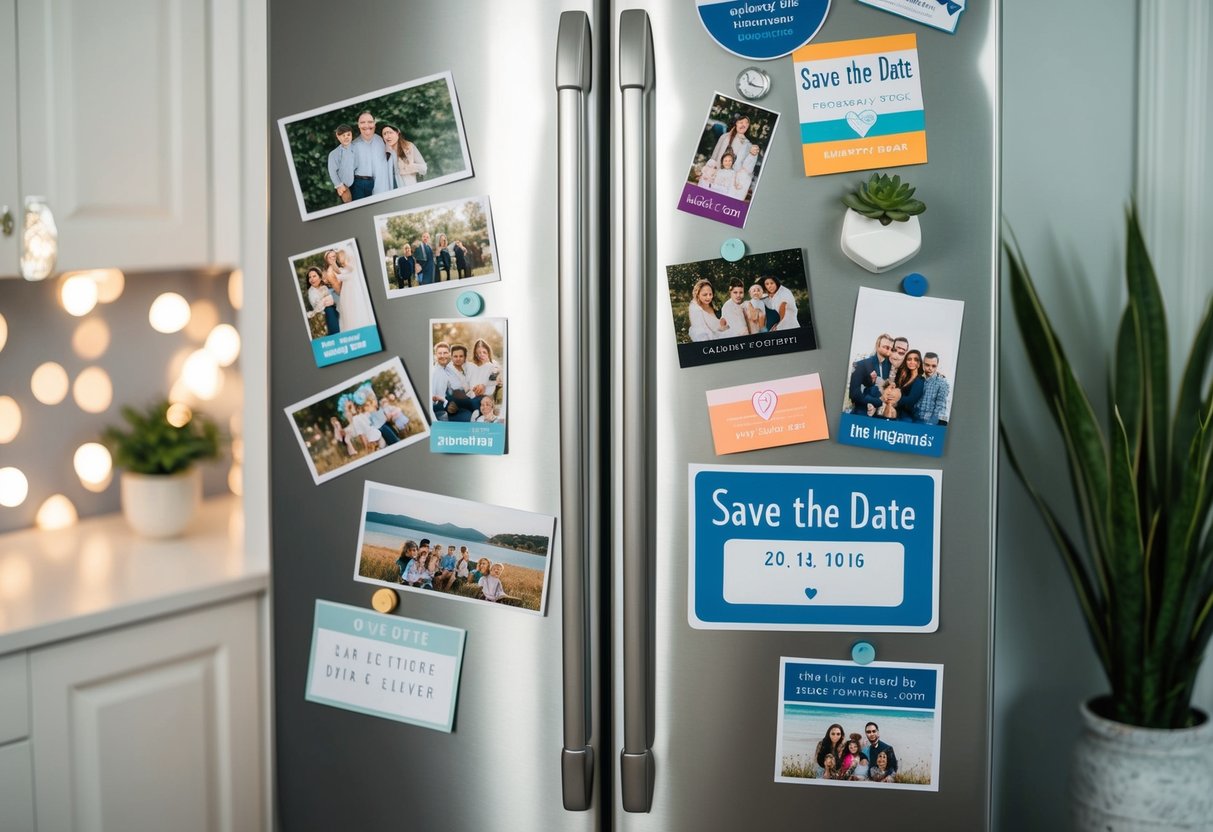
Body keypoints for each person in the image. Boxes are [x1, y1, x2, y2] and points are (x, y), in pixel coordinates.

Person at [324, 248, 374, 331]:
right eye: (330, 257)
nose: (333, 258)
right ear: (326, 259)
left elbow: (341, 272)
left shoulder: (337, 267)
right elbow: (338, 291)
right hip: (344, 295)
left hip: (350, 293)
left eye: (334, 256)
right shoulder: (330, 272)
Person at [848, 333, 894, 414]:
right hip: (862, 410)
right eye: (886, 347)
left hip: (883, 414)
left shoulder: (891, 367)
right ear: (877, 346)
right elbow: (854, 394)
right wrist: (878, 402)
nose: (889, 351)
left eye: (891, 349)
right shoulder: (862, 364)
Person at [349, 111, 387, 199]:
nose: (366, 125)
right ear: (358, 125)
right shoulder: (354, 145)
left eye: (370, 122)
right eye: (362, 122)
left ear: (374, 123)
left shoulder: (381, 141)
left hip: (380, 183)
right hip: (359, 184)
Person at [380, 124, 427, 190]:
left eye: (390, 133)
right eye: (384, 134)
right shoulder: (384, 153)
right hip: (393, 188)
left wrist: (409, 167)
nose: (388, 136)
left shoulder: (408, 147)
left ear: (397, 133)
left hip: (410, 185)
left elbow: (423, 168)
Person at [444, 344, 483, 421]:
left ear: (465, 357)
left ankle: (478, 416)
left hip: (470, 396)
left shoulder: (470, 367)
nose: (458, 359)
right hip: (455, 399)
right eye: (455, 356)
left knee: (480, 400)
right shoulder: (447, 370)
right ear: (451, 357)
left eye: (461, 356)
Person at [914, 352, 951, 425]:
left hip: (929, 422)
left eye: (933, 366)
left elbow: (940, 407)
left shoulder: (942, 383)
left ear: (937, 366)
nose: (930, 368)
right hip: (914, 419)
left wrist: (931, 424)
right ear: (923, 364)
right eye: (927, 365)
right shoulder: (917, 379)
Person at [306, 267, 339, 336]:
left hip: (335, 308)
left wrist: (332, 300)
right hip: (324, 313)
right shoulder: (311, 291)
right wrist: (327, 300)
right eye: (310, 277)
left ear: (320, 278)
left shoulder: (325, 287)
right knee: (329, 309)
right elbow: (318, 306)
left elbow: (335, 296)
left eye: (314, 276)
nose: (312, 279)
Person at [327, 124, 355, 204]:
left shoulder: (357, 147)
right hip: (345, 186)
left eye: (348, 135)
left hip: (359, 182)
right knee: (349, 204)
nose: (346, 137)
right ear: (338, 136)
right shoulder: (334, 154)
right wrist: (339, 185)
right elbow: (332, 172)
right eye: (343, 135)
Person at [895, 348, 926, 420]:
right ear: (906, 361)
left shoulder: (920, 380)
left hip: (907, 415)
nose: (912, 362)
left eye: (915, 359)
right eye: (909, 359)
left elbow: (911, 400)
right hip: (898, 411)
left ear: (919, 363)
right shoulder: (904, 378)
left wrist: (894, 400)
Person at [430, 341, 454, 422]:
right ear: (435, 355)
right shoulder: (434, 372)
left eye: (445, 353)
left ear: (449, 354)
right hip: (438, 411)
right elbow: (433, 398)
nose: (443, 356)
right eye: (440, 353)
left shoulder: (446, 370)